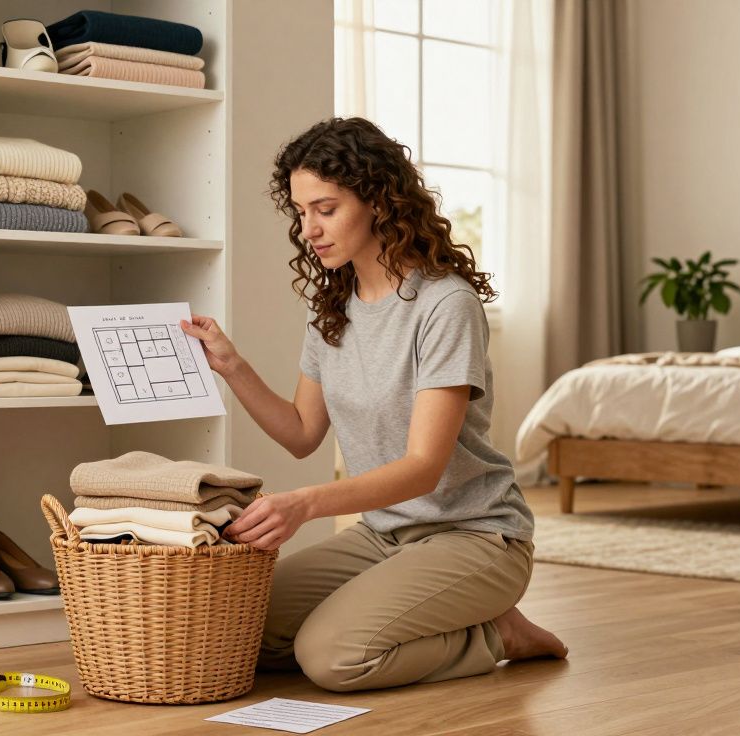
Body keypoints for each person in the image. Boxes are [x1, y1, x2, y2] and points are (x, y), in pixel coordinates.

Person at [179, 117, 567, 694]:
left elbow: (423, 467)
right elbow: (302, 432)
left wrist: (304, 504)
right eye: (301, 212)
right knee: (233, 628)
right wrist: (231, 365)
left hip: (476, 538)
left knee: (330, 658)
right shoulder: (334, 309)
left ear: (380, 202)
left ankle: (496, 635)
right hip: (385, 536)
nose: (309, 228)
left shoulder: (445, 305)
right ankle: (418, 612)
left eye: (326, 209)